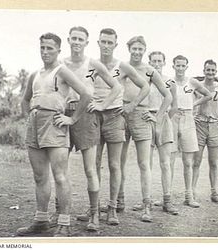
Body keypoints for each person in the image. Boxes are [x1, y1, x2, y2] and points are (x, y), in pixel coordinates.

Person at [16, 32, 91, 237]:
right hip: (35, 125)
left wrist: (72, 119)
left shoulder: (62, 71)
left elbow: (86, 94)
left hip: (54, 124)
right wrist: (29, 118)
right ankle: (41, 220)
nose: (45, 51)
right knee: (39, 176)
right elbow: (25, 100)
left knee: (60, 175)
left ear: (58, 49)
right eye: (42, 47)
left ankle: (64, 223)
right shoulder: (34, 74)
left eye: (50, 48)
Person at [50, 26, 121, 231]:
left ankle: (94, 214)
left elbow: (116, 87)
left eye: (81, 39)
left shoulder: (93, 64)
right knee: (59, 168)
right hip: (63, 114)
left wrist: (103, 105)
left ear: (87, 42)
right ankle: (59, 212)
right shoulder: (60, 63)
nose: (77, 42)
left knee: (90, 169)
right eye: (73, 38)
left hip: (86, 115)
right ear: (69, 40)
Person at [91, 28, 150, 223]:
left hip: (115, 117)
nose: (106, 46)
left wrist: (132, 105)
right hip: (94, 117)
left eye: (110, 42)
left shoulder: (122, 66)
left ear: (116, 45)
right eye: (103, 42)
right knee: (94, 164)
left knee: (114, 165)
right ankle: (94, 210)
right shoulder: (90, 65)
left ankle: (112, 209)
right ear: (98, 43)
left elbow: (145, 86)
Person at [119, 36, 172, 222]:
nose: (137, 52)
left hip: (141, 116)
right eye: (134, 48)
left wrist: (157, 117)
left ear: (144, 50)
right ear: (129, 49)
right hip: (122, 114)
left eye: (140, 49)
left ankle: (147, 205)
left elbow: (168, 96)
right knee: (119, 161)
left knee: (144, 164)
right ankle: (119, 201)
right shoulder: (122, 67)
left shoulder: (149, 71)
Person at [131, 51, 178, 215]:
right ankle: (146, 200)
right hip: (146, 119)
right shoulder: (143, 79)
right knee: (146, 164)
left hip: (162, 120)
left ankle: (167, 200)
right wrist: (149, 116)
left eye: (160, 61)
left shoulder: (170, 81)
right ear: (149, 62)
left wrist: (160, 117)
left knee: (165, 163)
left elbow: (174, 106)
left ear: (164, 63)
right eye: (154, 61)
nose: (156, 64)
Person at [168, 55, 212, 208]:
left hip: (188, 118)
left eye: (183, 66)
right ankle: (167, 196)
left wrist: (194, 104)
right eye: (177, 65)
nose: (180, 68)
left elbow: (208, 95)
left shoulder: (192, 81)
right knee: (170, 160)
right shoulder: (169, 81)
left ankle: (189, 196)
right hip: (173, 118)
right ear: (173, 66)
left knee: (188, 161)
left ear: (186, 67)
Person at [192, 59, 218, 205]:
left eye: (213, 70)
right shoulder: (197, 85)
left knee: (214, 162)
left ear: (216, 72)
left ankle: (214, 193)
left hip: (214, 125)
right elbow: (189, 100)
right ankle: (192, 192)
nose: (210, 73)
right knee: (196, 161)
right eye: (208, 70)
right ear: (204, 71)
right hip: (199, 124)